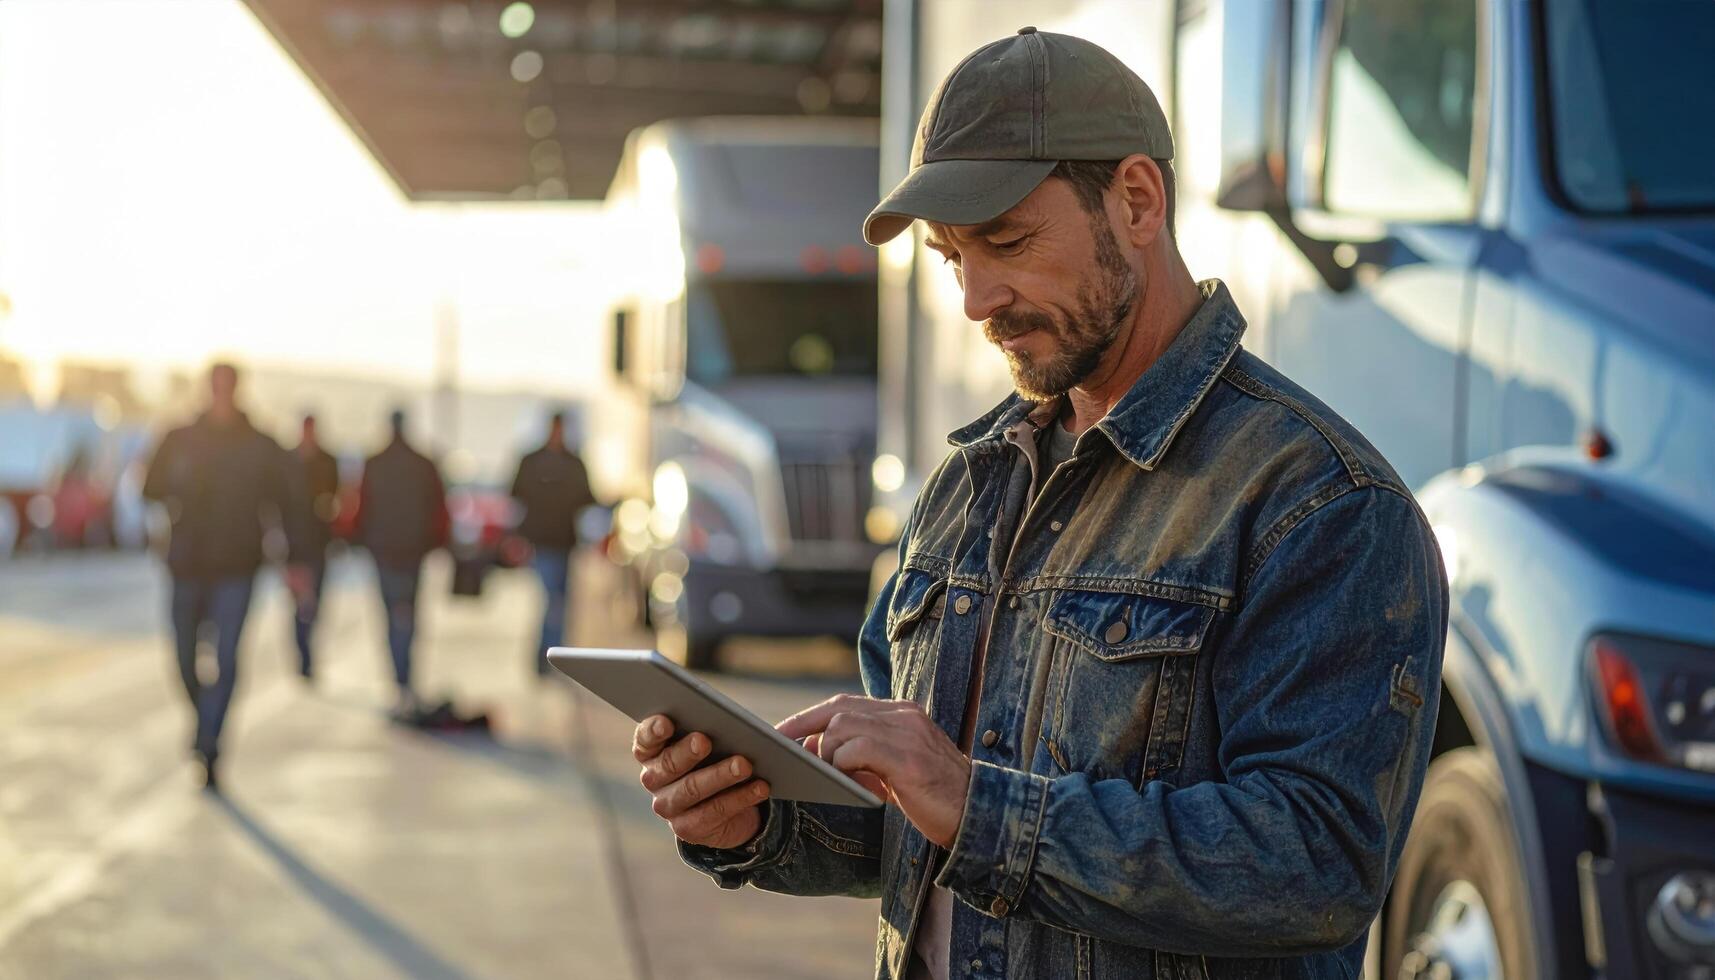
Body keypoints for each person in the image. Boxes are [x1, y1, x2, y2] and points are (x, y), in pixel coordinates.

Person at [631, 29, 1447, 980]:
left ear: (1136, 201)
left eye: (1007, 242)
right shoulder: (966, 485)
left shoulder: (1318, 504)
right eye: (949, 259)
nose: (977, 299)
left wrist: (978, 803)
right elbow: (911, 832)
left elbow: (1316, 866)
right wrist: (759, 819)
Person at [142, 363, 311, 790]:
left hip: (238, 565)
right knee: (183, 655)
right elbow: (149, 489)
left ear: (237, 390)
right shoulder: (180, 438)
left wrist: (296, 562)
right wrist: (174, 487)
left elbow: (289, 504)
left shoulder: (259, 444)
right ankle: (204, 720)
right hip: (187, 564)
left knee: (228, 657)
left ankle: (211, 742)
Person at [352, 409, 446, 716]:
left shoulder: (375, 463)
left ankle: (400, 680)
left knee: (392, 616)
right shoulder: (422, 463)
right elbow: (439, 508)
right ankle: (403, 679)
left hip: (387, 552)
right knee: (405, 616)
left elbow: (360, 507)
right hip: (409, 552)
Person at [509, 410, 595, 676]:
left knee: (559, 601)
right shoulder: (532, 461)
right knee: (552, 601)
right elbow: (516, 494)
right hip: (541, 543)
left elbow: (587, 498)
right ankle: (548, 656)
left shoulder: (573, 463)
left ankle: (552, 655)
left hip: (564, 543)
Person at [288, 413, 340, 682]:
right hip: (294, 547)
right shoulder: (289, 461)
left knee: (314, 604)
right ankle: (302, 657)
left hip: (318, 544)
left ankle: (309, 652)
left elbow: (335, 499)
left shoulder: (327, 461)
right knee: (298, 604)